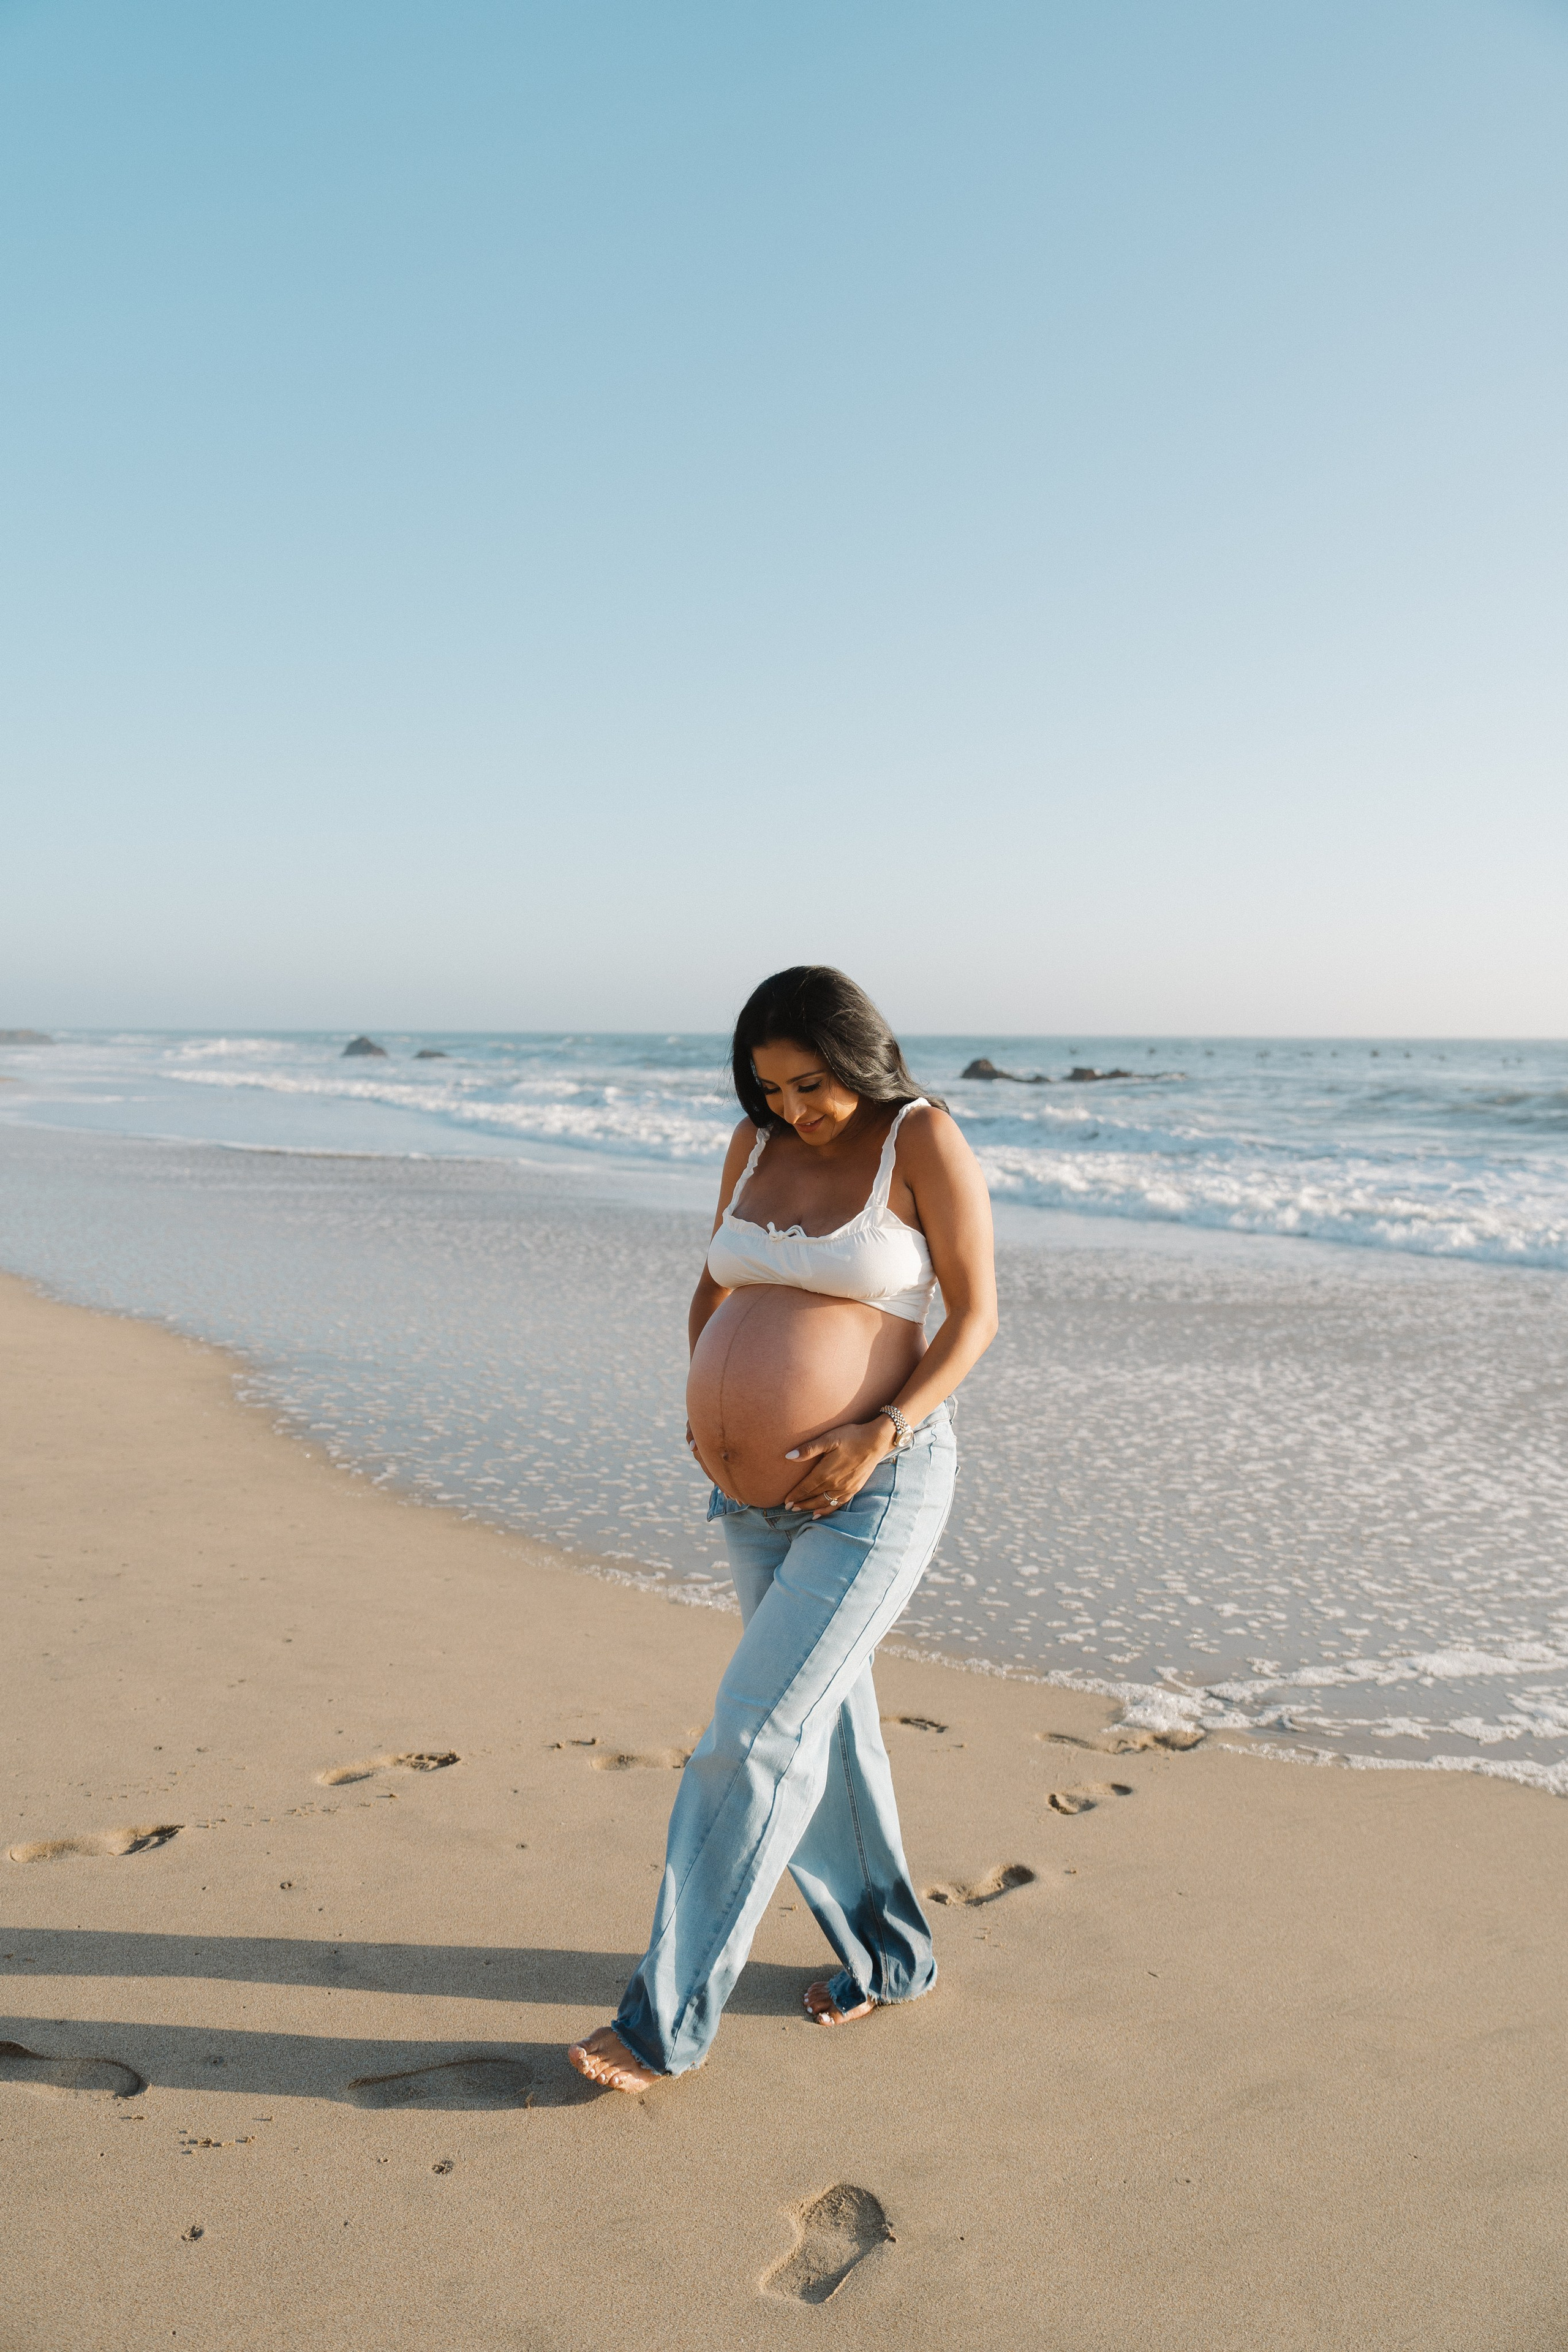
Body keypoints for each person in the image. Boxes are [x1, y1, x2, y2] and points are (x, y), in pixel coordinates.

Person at [568, 966, 998, 2090]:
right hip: (750, 1495)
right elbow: (714, 1286)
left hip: (876, 1488)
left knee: (753, 1737)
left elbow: (977, 1314)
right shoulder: (751, 1147)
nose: (795, 1110)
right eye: (771, 1089)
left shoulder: (922, 1139)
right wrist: (713, 1412)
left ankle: (666, 2021)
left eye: (812, 1084)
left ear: (861, 1057)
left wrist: (881, 1430)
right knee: (827, 1721)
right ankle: (891, 1959)